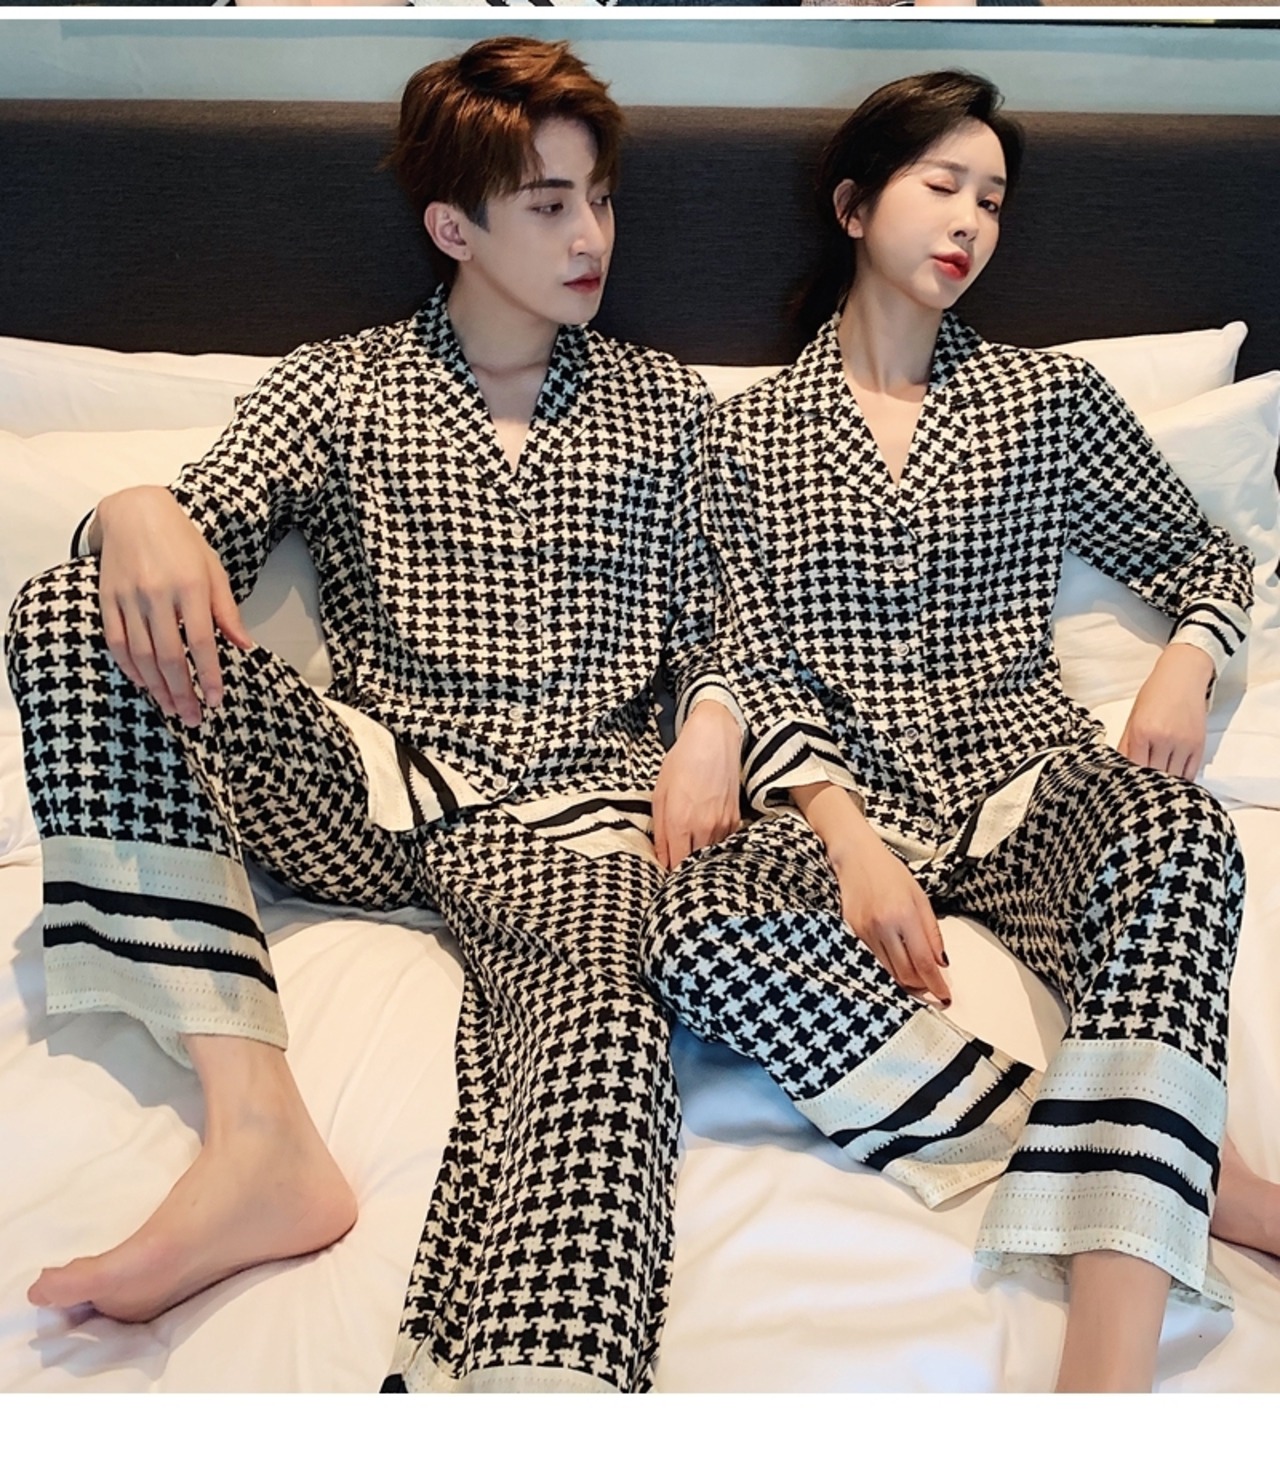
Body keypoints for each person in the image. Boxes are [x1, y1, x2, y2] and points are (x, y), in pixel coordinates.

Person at [4, 35, 743, 1394]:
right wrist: (129, 510)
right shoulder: (336, 386)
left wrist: (710, 727)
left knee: (600, 1020)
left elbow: (724, 616)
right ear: (453, 227)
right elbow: (193, 544)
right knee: (65, 610)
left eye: (600, 199)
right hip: (371, 795)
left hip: (580, 822)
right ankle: (257, 1135)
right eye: (549, 205)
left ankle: (533, 1383)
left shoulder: (666, 404)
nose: (592, 237)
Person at [641, 70, 1280, 1392]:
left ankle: (1102, 1379)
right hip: (843, 803)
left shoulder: (1049, 402)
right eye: (942, 185)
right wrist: (849, 841)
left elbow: (1213, 558)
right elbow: (742, 654)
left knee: (1179, 839)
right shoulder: (743, 437)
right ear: (853, 204)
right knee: (693, 925)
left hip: (1022, 779)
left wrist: (1187, 662)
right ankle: (1166, 1152)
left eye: (992, 200)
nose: (970, 222)